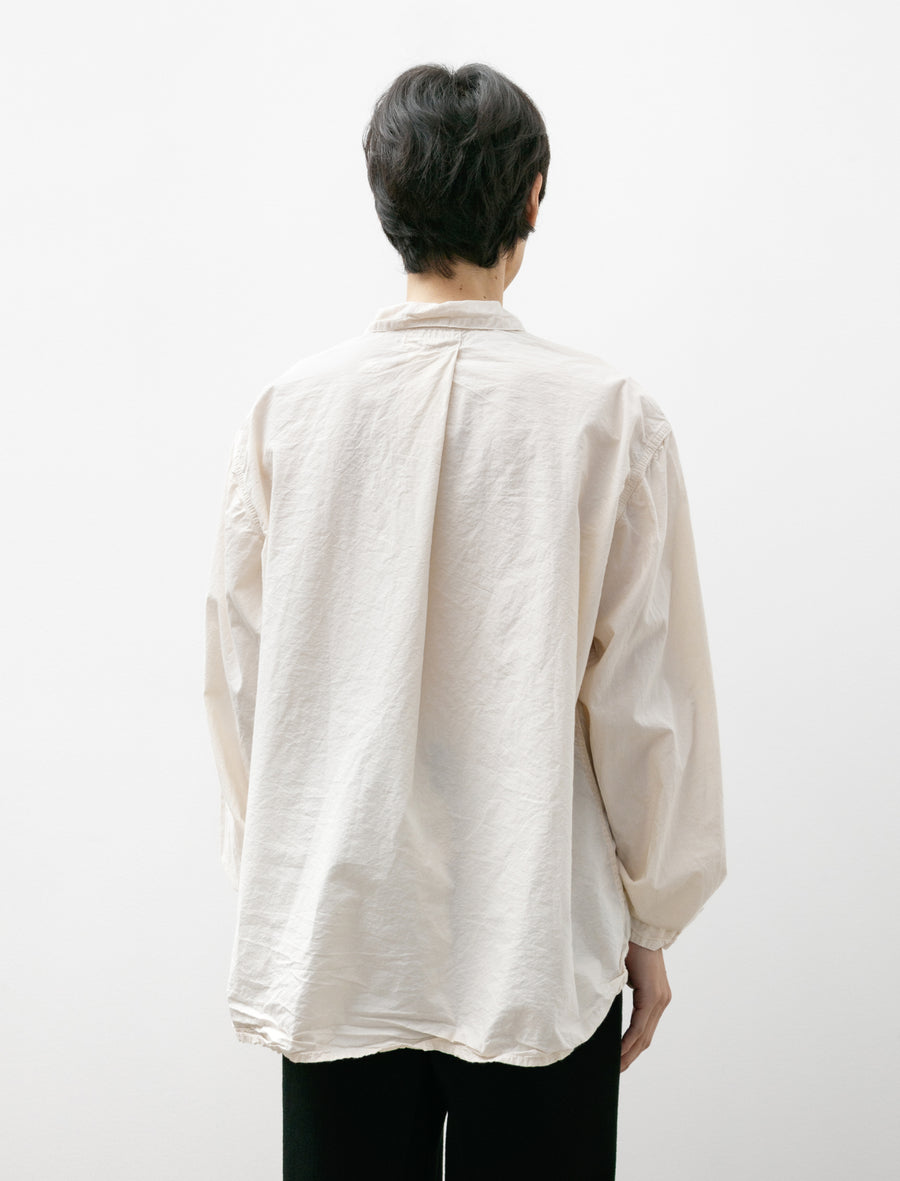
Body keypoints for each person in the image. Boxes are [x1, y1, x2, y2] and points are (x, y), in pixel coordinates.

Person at [203, 61, 727, 1180]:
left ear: (383, 199)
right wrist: (652, 920)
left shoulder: (288, 415)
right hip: (535, 938)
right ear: (533, 195)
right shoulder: (607, 419)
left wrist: (282, 874)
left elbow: (243, 684)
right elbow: (646, 705)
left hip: (342, 940)